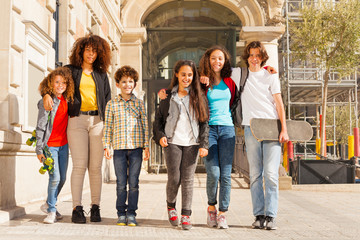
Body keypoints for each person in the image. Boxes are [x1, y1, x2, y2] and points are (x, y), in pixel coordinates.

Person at [43, 34, 111, 223]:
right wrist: (45, 95)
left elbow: (108, 102)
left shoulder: (102, 74)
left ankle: (95, 207)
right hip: (76, 121)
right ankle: (77, 208)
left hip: (98, 121)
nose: (91, 54)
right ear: (81, 51)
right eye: (88, 49)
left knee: (96, 167)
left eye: (95, 50)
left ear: (99, 53)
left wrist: (109, 128)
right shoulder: (70, 70)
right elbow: (52, 83)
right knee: (80, 165)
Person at [153, 60, 209, 230]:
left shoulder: (199, 96)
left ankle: (186, 214)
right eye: (183, 74)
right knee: (174, 178)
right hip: (173, 142)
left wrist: (204, 144)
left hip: (192, 144)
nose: (186, 78)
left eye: (190, 75)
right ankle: (171, 206)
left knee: (188, 179)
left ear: (194, 76)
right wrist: (160, 136)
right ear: (176, 74)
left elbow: (204, 123)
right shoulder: (168, 96)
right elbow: (159, 120)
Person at [241, 41, 288, 230]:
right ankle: (259, 215)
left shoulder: (270, 76)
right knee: (254, 174)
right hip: (250, 128)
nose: (254, 59)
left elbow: (279, 104)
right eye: (251, 55)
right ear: (247, 57)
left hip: (271, 127)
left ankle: (271, 215)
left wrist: (284, 129)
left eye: (257, 55)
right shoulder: (241, 75)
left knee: (270, 174)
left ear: (262, 57)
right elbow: (218, 71)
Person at [103, 66, 150, 227]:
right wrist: (106, 145)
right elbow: (108, 126)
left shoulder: (139, 103)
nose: (127, 85)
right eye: (123, 82)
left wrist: (146, 146)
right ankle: (121, 213)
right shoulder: (111, 104)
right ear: (117, 84)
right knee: (121, 184)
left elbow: (144, 124)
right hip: (119, 149)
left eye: (130, 82)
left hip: (136, 148)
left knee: (134, 183)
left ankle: (131, 214)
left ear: (135, 84)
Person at [197, 45, 238, 229]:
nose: (217, 62)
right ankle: (211, 208)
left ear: (225, 61)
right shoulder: (202, 81)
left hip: (228, 129)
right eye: (213, 58)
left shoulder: (230, 81)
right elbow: (183, 84)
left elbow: (250, 71)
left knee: (226, 174)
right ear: (208, 60)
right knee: (214, 172)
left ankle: (222, 213)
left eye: (220, 58)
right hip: (209, 130)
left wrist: (268, 69)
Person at [36, 67, 74, 224]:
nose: (60, 85)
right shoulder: (47, 101)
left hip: (63, 145)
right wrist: (39, 148)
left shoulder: (67, 100)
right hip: (50, 146)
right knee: (54, 178)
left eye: (63, 82)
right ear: (50, 83)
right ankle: (51, 211)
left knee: (62, 178)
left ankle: (48, 204)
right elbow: (41, 126)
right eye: (57, 82)